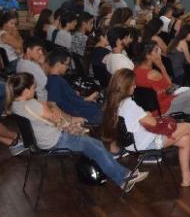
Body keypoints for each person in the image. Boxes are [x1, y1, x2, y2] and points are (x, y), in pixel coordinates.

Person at [8, 72, 148, 191]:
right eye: (33, 87)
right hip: (54, 140)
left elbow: (49, 117)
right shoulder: (32, 104)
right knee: (96, 147)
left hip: (42, 141)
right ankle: (125, 177)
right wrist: (73, 121)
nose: (35, 90)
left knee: (95, 145)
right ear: (25, 91)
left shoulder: (14, 105)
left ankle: (123, 176)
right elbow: (56, 118)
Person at [102, 69, 190, 187]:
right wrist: (147, 114)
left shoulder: (113, 103)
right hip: (145, 142)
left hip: (131, 143)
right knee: (187, 126)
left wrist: (144, 115)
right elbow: (152, 122)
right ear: (125, 86)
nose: (135, 86)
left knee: (185, 139)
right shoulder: (129, 105)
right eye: (133, 84)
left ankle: (187, 177)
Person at [134, 42, 190, 116]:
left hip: (149, 108)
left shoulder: (135, 69)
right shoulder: (153, 74)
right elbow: (170, 88)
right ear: (148, 55)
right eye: (156, 50)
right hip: (162, 108)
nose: (159, 53)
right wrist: (162, 66)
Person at [45, 49, 102, 125]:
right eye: (67, 64)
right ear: (58, 64)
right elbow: (51, 104)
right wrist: (71, 119)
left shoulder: (56, 80)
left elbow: (70, 99)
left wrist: (87, 99)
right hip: (89, 114)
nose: (68, 67)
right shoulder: (54, 81)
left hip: (88, 109)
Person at [16, 38, 49, 102]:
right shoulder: (29, 66)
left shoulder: (21, 61)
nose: (41, 53)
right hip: (42, 99)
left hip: (35, 97)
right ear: (28, 50)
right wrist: (42, 64)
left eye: (41, 50)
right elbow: (47, 83)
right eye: (38, 50)